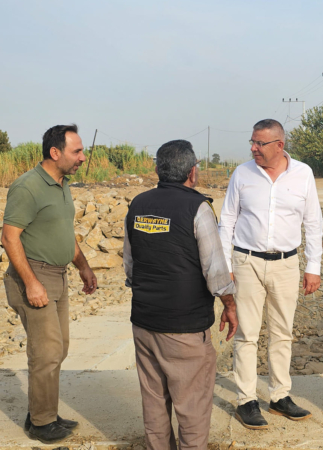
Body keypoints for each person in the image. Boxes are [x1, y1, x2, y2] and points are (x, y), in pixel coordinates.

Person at [123, 139, 238, 450]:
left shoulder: (138, 204)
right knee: (193, 406)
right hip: (185, 329)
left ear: (158, 170)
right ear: (192, 172)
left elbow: (131, 267)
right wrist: (230, 305)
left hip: (144, 323)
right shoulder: (197, 207)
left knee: (154, 401)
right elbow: (216, 273)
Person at [219, 119, 323, 430]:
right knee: (247, 334)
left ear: (279, 145)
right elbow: (227, 222)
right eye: (252, 142)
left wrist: (313, 267)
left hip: (287, 264)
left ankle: (279, 397)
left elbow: (313, 222)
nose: (253, 148)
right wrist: (226, 267)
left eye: (259, 144)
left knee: (282, 333)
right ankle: (246, 400)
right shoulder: (242, 173)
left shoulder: (303, 174)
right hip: (246, 262)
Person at [1, 124, 97, 444]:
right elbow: (9, 237)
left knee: (59, 348)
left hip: (58, 276)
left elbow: (64, 234)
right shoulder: (27, 187)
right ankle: (41, 423)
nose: (83, 157)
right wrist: (31, 283)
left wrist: (83, 267)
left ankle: (44, 413)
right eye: (77, 151)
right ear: (55, 153)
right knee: (47, 352)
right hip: (34, 276)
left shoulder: (62, 183)